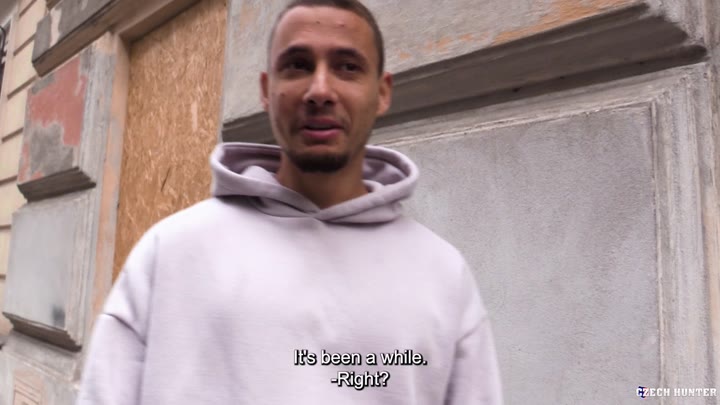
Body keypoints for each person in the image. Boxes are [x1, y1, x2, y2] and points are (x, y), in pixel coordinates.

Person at [77, 0, 503, 403]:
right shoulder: (169, 255)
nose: (320, 90)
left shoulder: (443, 276)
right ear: (266, 89)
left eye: (347, 67)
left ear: (382, 92)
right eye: (298, 65)